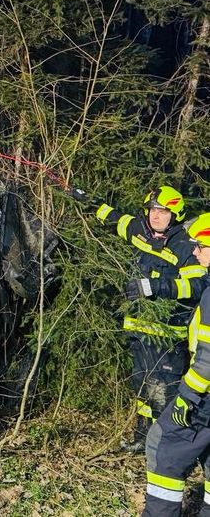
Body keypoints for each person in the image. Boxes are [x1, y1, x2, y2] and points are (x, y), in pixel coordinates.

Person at [94, 186, 206, 448]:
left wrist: (156, 288)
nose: (155, 216)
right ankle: (142, 439)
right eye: (152, 210)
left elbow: (197, 288)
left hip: (168, 336)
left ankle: (167, 445)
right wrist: (86, 200)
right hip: (139, 331)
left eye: (162, 211)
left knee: (164, 391)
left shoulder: (186, 245)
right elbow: (115, 219)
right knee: (142, 385)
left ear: (175, 214)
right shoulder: (141, 233)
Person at [142, 214, 210, 516]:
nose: (194, 251)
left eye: (201, 246)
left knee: (163, 447)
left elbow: (208, 359)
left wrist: (187, 398)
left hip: (203, 398)